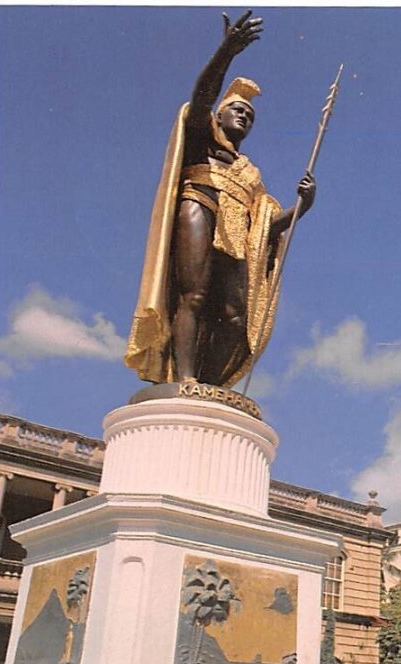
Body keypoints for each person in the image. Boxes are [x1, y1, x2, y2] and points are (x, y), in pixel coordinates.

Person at [125, 11, 316, 387]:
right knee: (194, 296)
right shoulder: (204, 138)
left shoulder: (250, 174)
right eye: (237, 109)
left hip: (237, 236)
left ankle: (211, 385)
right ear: (220, 114)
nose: (244, 116)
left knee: (234, 316)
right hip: (200, 203)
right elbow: (201, 98)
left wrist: (303, 206)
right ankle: (186, 379)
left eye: (250, 115)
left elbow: (264, 227)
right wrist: (226, 53)